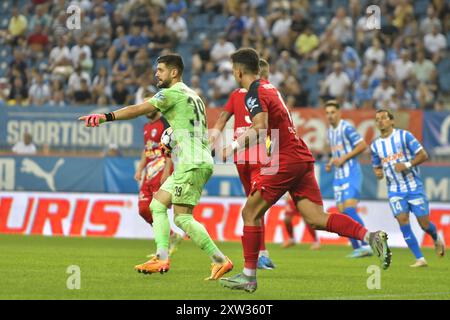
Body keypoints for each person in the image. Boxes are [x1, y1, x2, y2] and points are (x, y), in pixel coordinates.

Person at [218, 48, 391, 293]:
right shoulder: (270, 87)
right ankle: (370, 237)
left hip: (286, 159)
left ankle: (248, 276)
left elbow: (259, 127)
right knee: (316, 218)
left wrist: (232, 146)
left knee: (250, 213)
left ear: (238, 71)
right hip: (300, 156)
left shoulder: (254, 91)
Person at [79, 54, 232, 280]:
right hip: (198, 160)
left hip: (192, 163)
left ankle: (214, 260)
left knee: (181, 218)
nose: (156, 74)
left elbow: (139, 109)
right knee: (158, 205)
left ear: (174, 72)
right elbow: (191, 129)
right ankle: (166, 256)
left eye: (160, 70)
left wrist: (106, 116)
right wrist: (172, 137)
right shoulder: (195, 96)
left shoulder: (170, 94)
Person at [209, 59, 275, 270]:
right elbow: (270, 127)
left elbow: (221, 119)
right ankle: (260, 255)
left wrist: (212, 140)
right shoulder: (269, 93)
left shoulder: (236, 95)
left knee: (253, 205)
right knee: (257, 207)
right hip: (259, 156)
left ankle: (257, 253)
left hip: (241, 157)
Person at [370, 109, 445, 267]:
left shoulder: (404, 136)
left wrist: (407, 164)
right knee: (403, 221)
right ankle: (420, 258)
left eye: (384, 118)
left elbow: (423, 155)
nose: (380, 121)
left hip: (413, 187)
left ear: (392, 121)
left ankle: (436, 237)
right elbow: (377, 166)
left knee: (424, 224)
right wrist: (377, 173)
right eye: (377, 119)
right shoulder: (375, 145)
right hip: (395, 190)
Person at [325, 100, 373, 258]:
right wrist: (332, 161)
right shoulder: (330, 131)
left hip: (351, 173)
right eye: (327, 113)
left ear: (339, 113)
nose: (330, 115)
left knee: (349, 210)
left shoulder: (346, 128)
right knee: (343, 216)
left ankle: (367, 244)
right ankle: (356, 248)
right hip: (338, 176)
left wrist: (344, 157)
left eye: (332, 112)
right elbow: (336, 151)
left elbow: (362, 145)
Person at [134, 109, 182, 257]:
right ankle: (172, 236)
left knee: (158, 209)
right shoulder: (146, 127)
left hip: (161, 169)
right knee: (143, 209)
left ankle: (162, 249)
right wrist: (140, 168)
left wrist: (167, 170)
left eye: (148, 105)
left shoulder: (164, 123)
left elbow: (170, 147)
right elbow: (146, 149)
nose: (146, 109)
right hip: (149, 172)